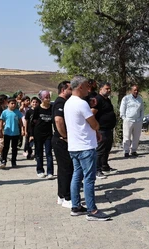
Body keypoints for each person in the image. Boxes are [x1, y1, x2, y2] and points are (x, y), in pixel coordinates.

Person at [64, 75, 110, 221]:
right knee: (89, 178)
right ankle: (92, 210)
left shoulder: (68, 103)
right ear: (80, 87)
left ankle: (76, 206)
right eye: (86, 86)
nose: (89, 89)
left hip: (74, 146)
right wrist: (96, 129)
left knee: (77, 175)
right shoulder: (81, 104)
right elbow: (94, 124)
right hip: (85, 146)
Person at [52, 81, 74, 208]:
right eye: (70, 88)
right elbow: (58, 120)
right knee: (67, 170)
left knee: (63, 169)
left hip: (61, 139)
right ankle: (67, 198)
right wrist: (65, 136)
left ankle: (61, 196)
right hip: (61, 140)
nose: (72, 91)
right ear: (63, 89)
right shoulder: (60, 102)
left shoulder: (63, 102)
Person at [93, 81, 117, 178]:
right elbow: (92, 114)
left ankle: (104, 166)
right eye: (106, 88)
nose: (109, 90)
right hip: (101, 129)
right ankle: (97, 170)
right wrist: (95, 128)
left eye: (109, 88)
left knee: (107, 149)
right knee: (100, 150)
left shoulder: (107, 99)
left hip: (108, 129)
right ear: (100, 89)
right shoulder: (97, 100)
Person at [30, 90, 54, 179]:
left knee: (49, 153)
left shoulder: (52, 108)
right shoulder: (37, 109)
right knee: (39, 153)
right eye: (46, 97)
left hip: (48, 134)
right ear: (42, 99)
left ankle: (50, 172)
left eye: (49, 97)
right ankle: (40, 170)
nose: (48, 99)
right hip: (38, 134)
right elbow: (32, 123)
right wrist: (31, 135)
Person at [119, 84, 144, 158]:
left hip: (137, 120)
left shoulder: (140, 99)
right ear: (131, 91)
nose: (136, 91)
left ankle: (133, 150)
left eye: (137, 90)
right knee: (127, 136)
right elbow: (122, 108)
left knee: (136, 137)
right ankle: (126, 151)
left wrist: (141, 118)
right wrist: (124, 118)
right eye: (134, 90)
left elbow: (142, 110)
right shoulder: (126, 98)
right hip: (128, 120)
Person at [0, 98, 24, 168]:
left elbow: (20, 122)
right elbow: (1, 121)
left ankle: (13, 161)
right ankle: (3, 160)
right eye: (12, 103)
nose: (13, 105)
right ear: (8, 104)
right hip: (7, 132)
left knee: (14, 148)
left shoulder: (17, 112)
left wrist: (22, 129)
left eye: (14, 104)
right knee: (6, 147)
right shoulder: (5, 112)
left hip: (15, 133)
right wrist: (0, 131)